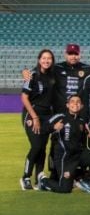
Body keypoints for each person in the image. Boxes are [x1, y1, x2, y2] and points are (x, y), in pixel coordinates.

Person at [38, 94, 90, 194]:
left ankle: (85, 181)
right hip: (65, 158)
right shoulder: (60, 117)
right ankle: (43, 181)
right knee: (65, 189)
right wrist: (53, 127)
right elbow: (42, 129)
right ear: (67, 105)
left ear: (81, 106)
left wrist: (88, 133)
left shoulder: (82, 121)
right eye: (72, 102)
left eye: (78, 102)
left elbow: (83, 142)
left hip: (79, 154)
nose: (75, 104)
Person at [20, 49, 57, 190]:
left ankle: (39, 178)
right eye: (44, 58)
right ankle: (25, 177)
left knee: (42, 147)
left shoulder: (53, 75)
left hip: (47, 115)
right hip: (32, 114)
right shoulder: (33, 75)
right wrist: (34, 117)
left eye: (49, 58)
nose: (46, 61)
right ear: (39, 60)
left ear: (52, 61)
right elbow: (24, 98)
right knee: (36, 146)